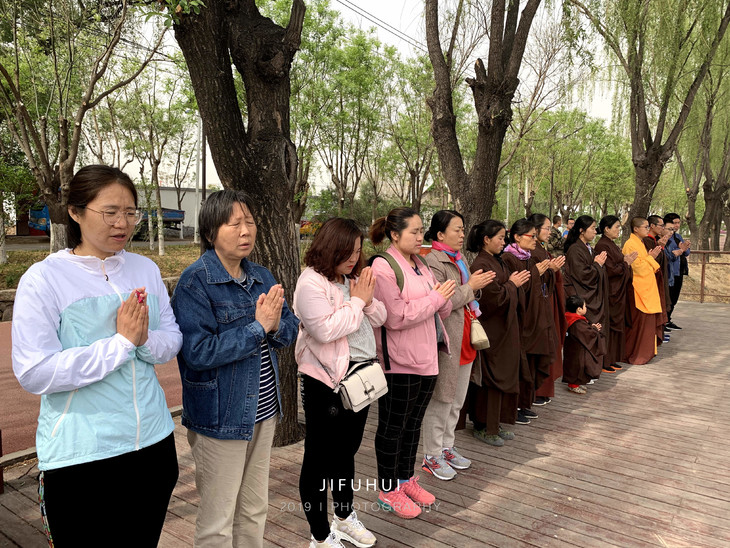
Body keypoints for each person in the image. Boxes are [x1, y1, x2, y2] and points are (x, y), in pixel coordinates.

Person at [12, 165, 182, 546]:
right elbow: (34, 371)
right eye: (110, 212)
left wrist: (141, 341)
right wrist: (119, 345)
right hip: (82, 457)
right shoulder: (44, 280)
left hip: (153, 445)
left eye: (131, 212)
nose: (122, 223)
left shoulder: (145, 269)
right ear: (75, 211)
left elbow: (172, 339)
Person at [172, 189, 299, 548]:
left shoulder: (261, 276)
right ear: (210, 232)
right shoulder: (195, 282)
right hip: (220, 419)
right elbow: (198, 352)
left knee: (254, 509)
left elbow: (290, 328)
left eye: (250, 222)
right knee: (218, 520)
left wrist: (273, 326)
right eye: (234, 224)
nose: (246, 231)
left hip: (264, 412)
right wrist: (258, 328)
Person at [294, 218, 386, 548]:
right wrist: (358, 301)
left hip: (361, 380)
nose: (353, 258)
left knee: (346, 452)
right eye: (347, 252)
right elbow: (326, 330)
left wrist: (367, 298)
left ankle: (344, 517)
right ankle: (320, 535)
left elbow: (381, 317)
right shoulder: (311, 283)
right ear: (329, 248)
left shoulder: (352, 279)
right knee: (318, 459)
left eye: (358, 252)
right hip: (326, 383)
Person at [368, 207, 455, 519]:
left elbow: (440, 309)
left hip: (428, 357)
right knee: (393, 427)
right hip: (400, 362)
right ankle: (388, 489)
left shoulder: (421, 263)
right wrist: (435, 299)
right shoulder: (383, 266)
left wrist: (441, 298)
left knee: (413, 425)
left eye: (421, 231)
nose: (421, 237)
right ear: (395, 235)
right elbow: (396, 317)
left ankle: (405, 480)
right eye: (414, 232)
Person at [420, 211, 495, 481]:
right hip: (448, 340)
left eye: (463, 229)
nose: (462, 234)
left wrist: (475, 287)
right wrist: (471, 286)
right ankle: (431, 454)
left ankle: (447, 447)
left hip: (466, 336)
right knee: (441, 399)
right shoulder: (433, 261)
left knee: (457, 400)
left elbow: (468, 293)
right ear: (440, 234)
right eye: (457, 229)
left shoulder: (459, 259)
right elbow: (444, 302)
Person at [466, 220, 531, 446]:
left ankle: (496, 423)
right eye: (500, 238)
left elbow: (508, 288)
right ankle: (483, 426)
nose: (504, 242)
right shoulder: (481, 264)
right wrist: (512, 285)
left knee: (504, 374)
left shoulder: (497, 260)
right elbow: (491, 300)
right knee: (490, 378)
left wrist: (514, 285)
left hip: (505, 328)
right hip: (492, 330)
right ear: (486, 239)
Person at [502, 219, 557, 425]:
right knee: (519, 364)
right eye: (531, 236)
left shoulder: (529, 258)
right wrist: (536, 273)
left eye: (536, 235)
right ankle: (514, 406)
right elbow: (515, 288)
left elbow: (539, 285)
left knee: (531, 363)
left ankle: (524, 403)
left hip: (534, 318)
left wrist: (549, 271)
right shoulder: (508, 258)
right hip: (519, 320)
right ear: (517, 237)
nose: (535, 240)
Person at [562, 215, 611, 372]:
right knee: (584, 335)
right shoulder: (575, 249)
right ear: (582, 231)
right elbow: (583, 275)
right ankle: (582, 370)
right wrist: (597, 265)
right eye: (593, 228)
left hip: (590, 295)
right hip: (581, 296)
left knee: (594, 332)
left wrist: (598, 265)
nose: (596, 231)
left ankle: (590, 369)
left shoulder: (587, 248)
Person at [529, 213, 567, 406]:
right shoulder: (532, 252)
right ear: (535, 230)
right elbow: (533, 279)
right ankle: (538, 390)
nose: (550, 232)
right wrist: (550, 270)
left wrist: (553, 270)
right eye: (546, 228)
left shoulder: (541, 249)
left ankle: (543, 389)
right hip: (540, 306)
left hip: (548, 302)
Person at [594, 216, 636, 371]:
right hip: (611, 291)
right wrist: (626, 263)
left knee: (616, 326)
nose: (619, 230)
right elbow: (610, 270)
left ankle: (612, 358)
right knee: (609, 326)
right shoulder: (602, 245)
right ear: (606, 229)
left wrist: (625, 262)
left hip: (618, 290)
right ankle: (605, 360)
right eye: (616, 227)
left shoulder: (610, 244)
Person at [622, 217, 663, 365]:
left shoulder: (639, 243)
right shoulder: (630, 244)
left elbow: (644, 263)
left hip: (646, 289)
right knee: (638, 324)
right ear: (636, 229)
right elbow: (637, 268)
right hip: (638, 290)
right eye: (645, 227)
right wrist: (651, 259)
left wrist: (650, 258)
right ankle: (635, 354)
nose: (648, 229)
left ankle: (645, 353)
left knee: (645, 324)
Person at [563, 295, 606, 394]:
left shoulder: (570, 318)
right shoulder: (577, 322)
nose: (586, 308)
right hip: (577, 350)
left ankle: (576, 383)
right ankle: (573, 386)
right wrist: (594, 329)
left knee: (574, 366)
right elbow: (587, 334)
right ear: (579, 309)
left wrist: (591, 327)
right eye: (585, 306)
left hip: (572, 348)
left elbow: (584, 330)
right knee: (577, 367)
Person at [645, 215, 672, 344]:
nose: (662, 228)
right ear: (652, 226)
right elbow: (653, 261)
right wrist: (660, 247)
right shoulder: (647, 241)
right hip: (651, 281)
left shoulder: (654, 240)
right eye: (661, 225)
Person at [663, 213, 690, 330]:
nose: (676, 226)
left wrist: (684, 248)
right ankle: (663, 321)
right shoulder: (665, 239)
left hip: (679, 270)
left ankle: (668, 319)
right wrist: (680, 250)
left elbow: (686, 252)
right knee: (668, 297)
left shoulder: (678, 236)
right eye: (674, 223)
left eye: (678, 223)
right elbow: (670, 255)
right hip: (670, 271)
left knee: (674, 297)